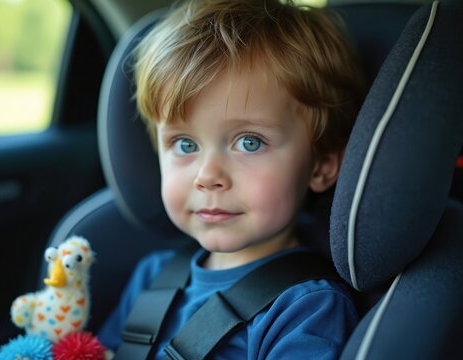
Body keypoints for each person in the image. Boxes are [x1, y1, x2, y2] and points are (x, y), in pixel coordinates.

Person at [98, 0, 366, 358]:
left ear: (321, 166)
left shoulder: (308, 309)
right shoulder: (153, 277)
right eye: (184, 143)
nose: (208, 176)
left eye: (249, 142)